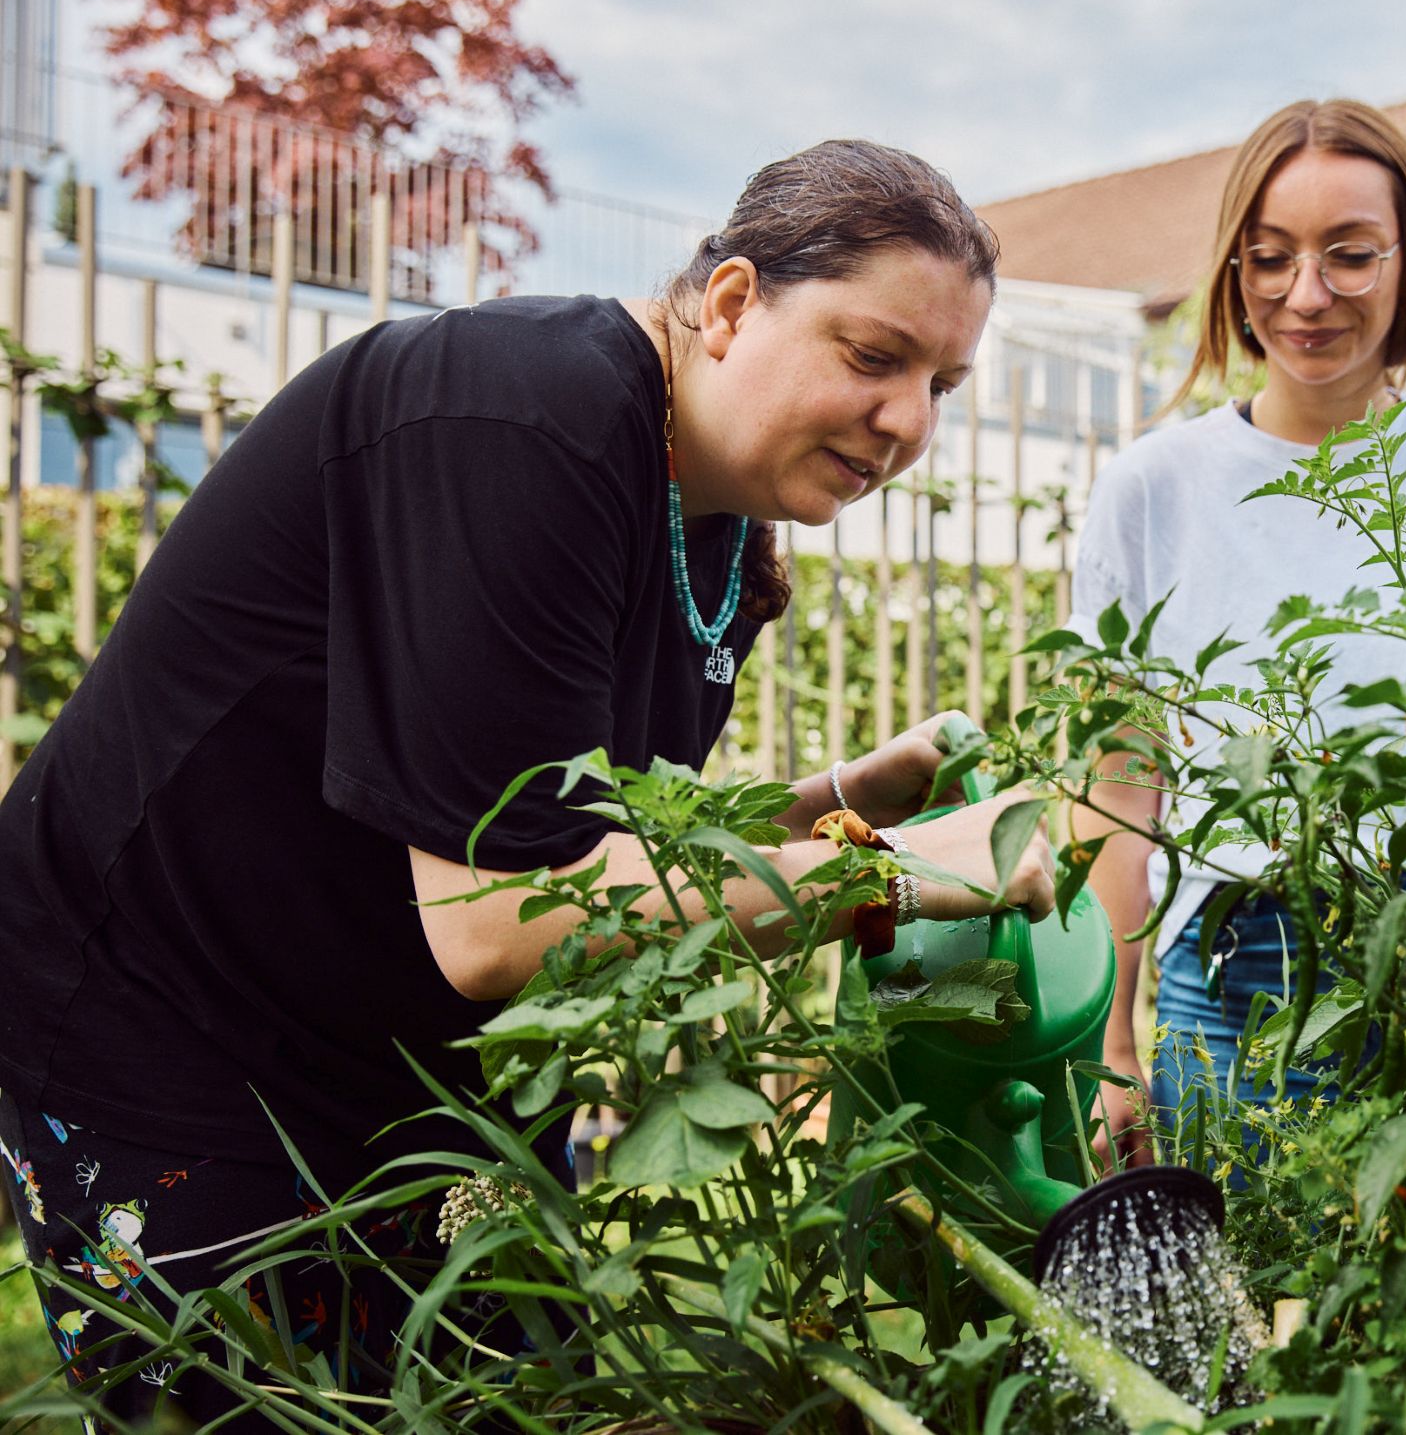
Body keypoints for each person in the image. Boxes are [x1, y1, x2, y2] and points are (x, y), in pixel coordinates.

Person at [0, 139, 1055, 1423]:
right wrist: (888, 871)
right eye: (874, 355)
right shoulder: (525, 418)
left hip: (403, 1054)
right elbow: (502, 918)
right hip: (180, 1028)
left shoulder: (715, 511)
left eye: (942, 384)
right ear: (731, 303)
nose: (910, 423)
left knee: (507, 1397)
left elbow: (592, 834)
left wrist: (840, 795)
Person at [1066, 100, 1406, 1166]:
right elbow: (1121, 784)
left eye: (1349, 253)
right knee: (1244, 1270)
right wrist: (1110, 1040)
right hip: (1233, 970)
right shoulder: (1152, 488)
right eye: (1270, 257)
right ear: (1233, 269)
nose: (1306, 293)